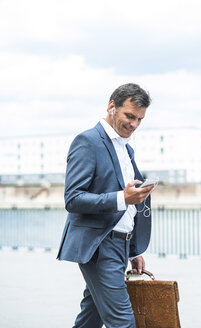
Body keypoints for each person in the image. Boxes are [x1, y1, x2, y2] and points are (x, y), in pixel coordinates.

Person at [57, 83, 154, 328]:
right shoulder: (88, 141)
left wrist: (133, 250)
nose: (134, 125)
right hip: (100, 247)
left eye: (140, 119)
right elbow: (73, 198)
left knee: (90, 320)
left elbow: (128, 208)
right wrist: (122, 198)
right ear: (112, 107)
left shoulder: (126, 148)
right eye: (129, 116)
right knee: (123, 322)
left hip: (120, 245)